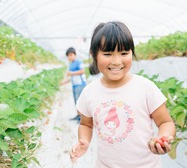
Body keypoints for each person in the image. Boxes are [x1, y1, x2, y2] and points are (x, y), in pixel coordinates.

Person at [69, 21, 176, 167]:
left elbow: (165, 122)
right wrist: (85, 141)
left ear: (132, 52)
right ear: (94, 55)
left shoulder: (145, 87)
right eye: (107, 54)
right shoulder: (89, 92)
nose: (117, 61)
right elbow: (86, 124)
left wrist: (162, 138)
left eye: (124, 53)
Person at [61, 47, 87, 122]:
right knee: (76, 101)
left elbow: (82, 71)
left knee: (80, 101)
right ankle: (78, 115)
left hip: (80, 84)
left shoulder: (78, 62)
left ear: (75, 54)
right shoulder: (71, 64)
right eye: (68, 56)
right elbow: (71, 77)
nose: (70, 57)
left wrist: (71, 73)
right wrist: (63, 83)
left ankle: (82, 118)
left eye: (71, 55)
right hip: (75, 85)